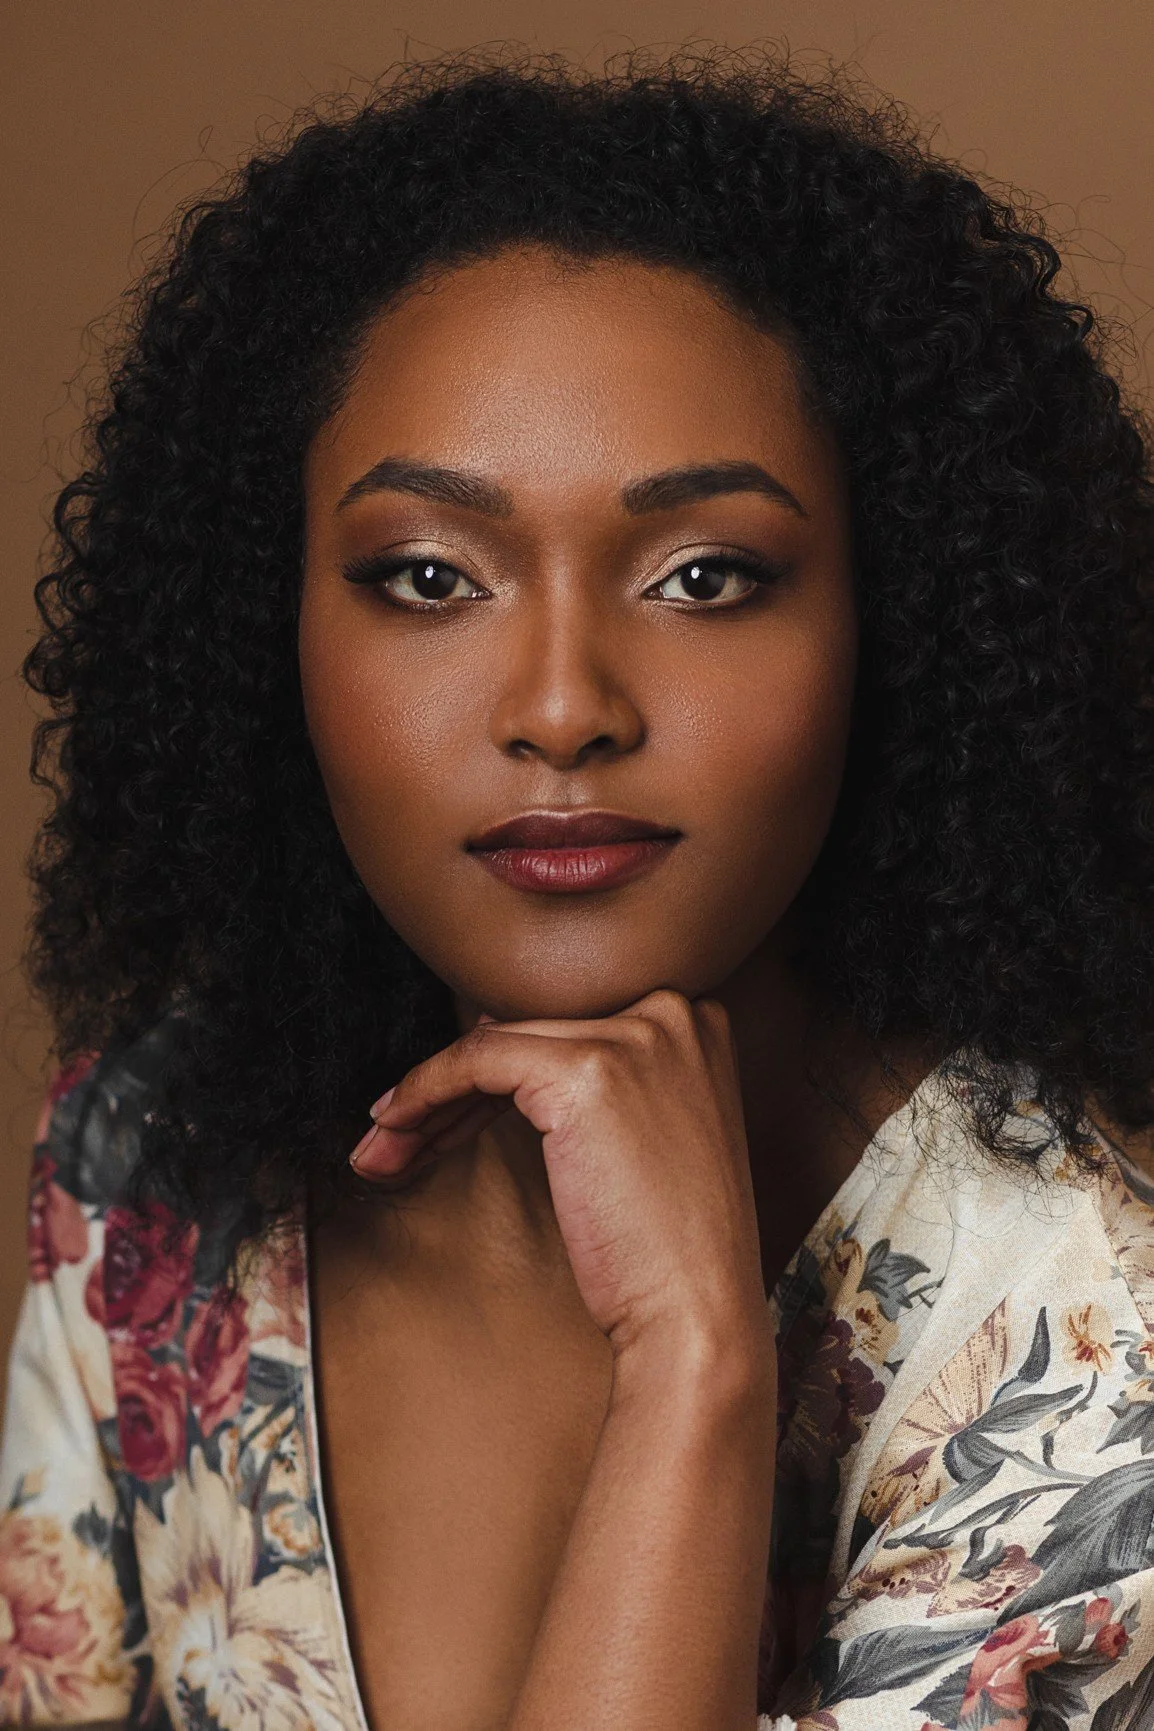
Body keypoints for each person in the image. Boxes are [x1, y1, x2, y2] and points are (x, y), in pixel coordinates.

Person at [1, 45, 1152, 1731]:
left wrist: (693, 1361)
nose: (560, 706)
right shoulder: (154, 1165)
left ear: (890, 624)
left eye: (704, 576)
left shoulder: (1085, 1382)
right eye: (426, 575)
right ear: (272, 625)